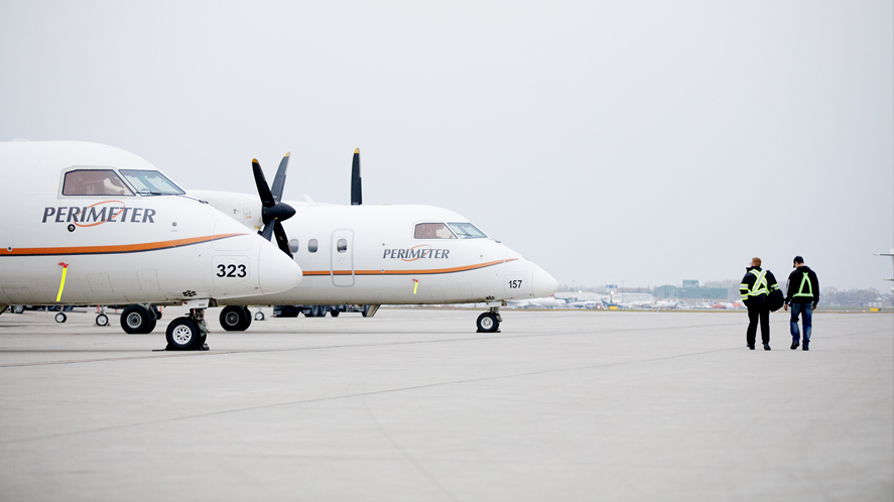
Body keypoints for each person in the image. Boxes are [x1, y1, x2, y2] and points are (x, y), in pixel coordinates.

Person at [739, 257, 780, 350]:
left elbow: (743, 289)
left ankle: (751, 343)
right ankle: (766, 343)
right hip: (765, 302)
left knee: (753, 323)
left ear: (752, 264)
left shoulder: (748, 275)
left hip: (752, 303)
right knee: (765, 323)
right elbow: (776, 288)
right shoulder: (767, 274)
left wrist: (746, 301)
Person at [784, 256, 820, 351]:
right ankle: (806, 343)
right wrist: (815, 301)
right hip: (808, 301)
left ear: (796, 263)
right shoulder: (812, 274)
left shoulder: (794, 274)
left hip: (796, 301)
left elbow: (789, 289)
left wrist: (786, 301)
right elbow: (816, 289)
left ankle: (796, 339)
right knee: (807, 323)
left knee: (794, 320)